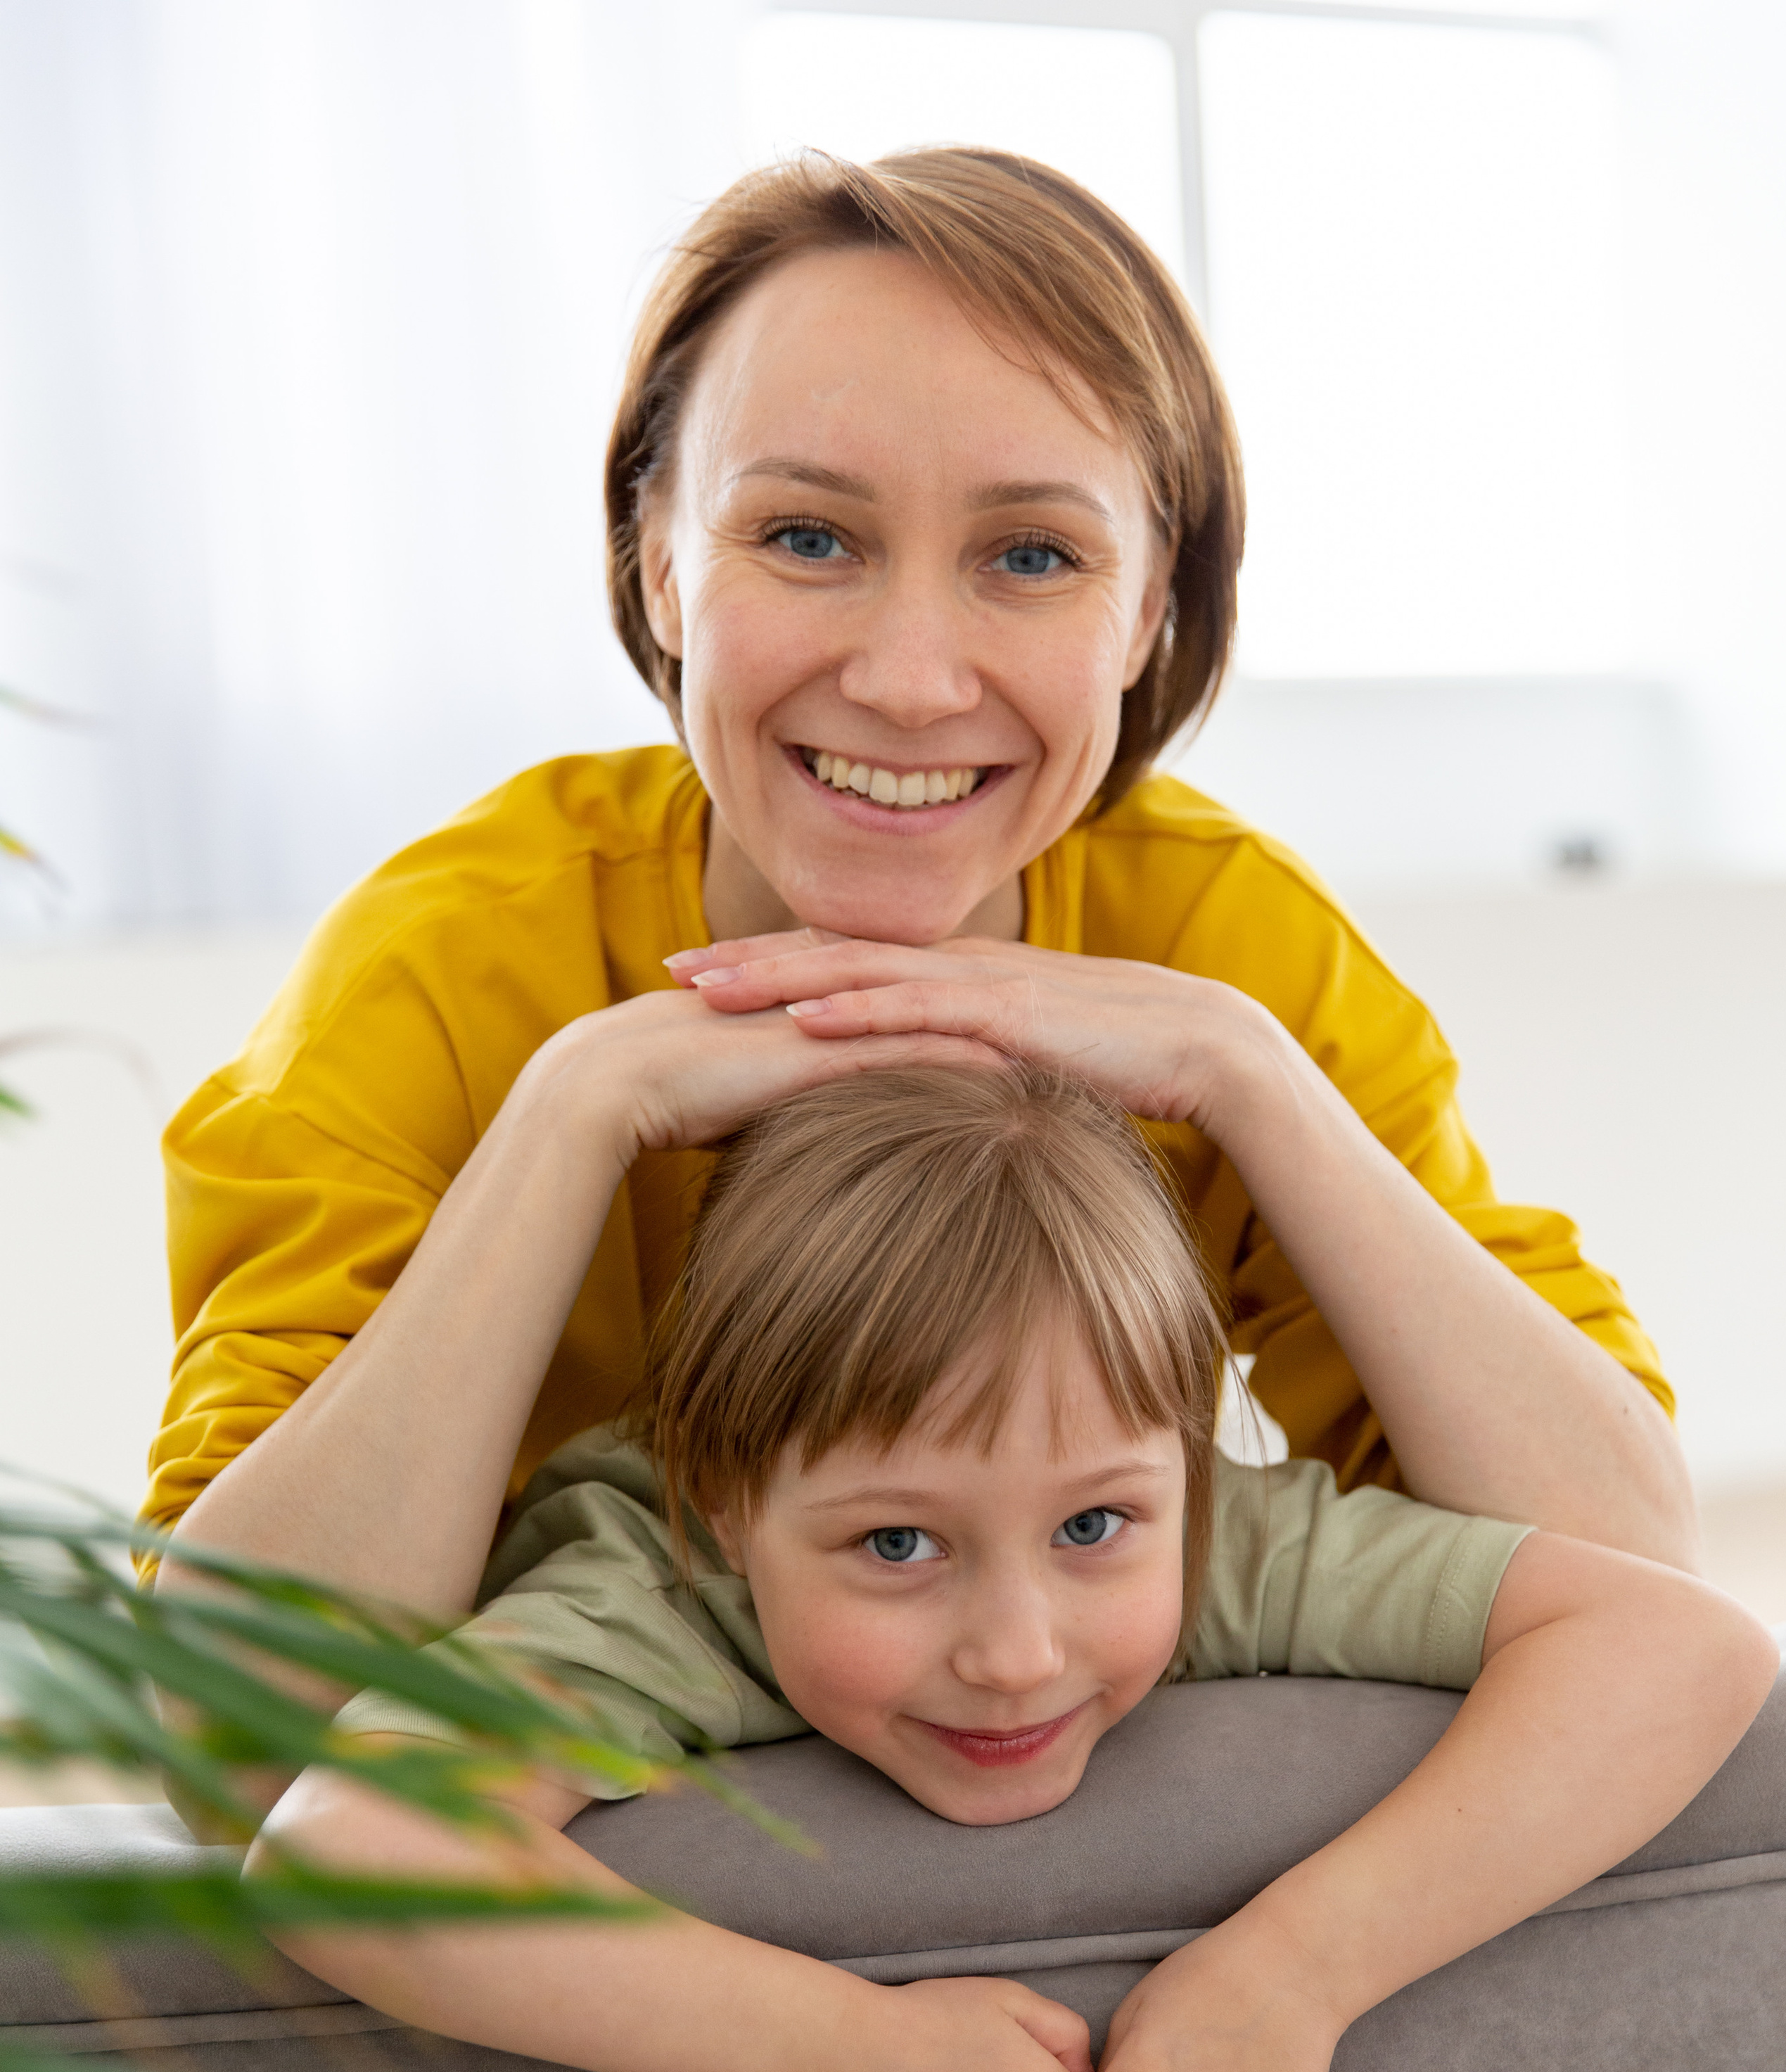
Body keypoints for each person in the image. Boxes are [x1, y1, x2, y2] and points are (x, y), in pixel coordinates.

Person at [150, 148, 1697, 1655]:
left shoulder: (1226, 943)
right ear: (660, 563)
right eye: (806, 537)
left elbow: (1631, 1570)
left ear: (1150, 609)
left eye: (1029, 555)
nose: (906, 681)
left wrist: (1249, 1083)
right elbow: (237, 1727)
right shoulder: (440, 963)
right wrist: (575, 1110)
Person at [254, 1068, 1774, 2072]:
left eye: (1095, 1526)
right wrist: (834, 2057)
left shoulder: (1201, 1535)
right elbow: (341, 1845)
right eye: (896, 1548)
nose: (1016, 1651)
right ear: (722, 1519)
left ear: (1180, 1468)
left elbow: (1680, 1640)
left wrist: (1295, 1971)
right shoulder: (649, 1589)